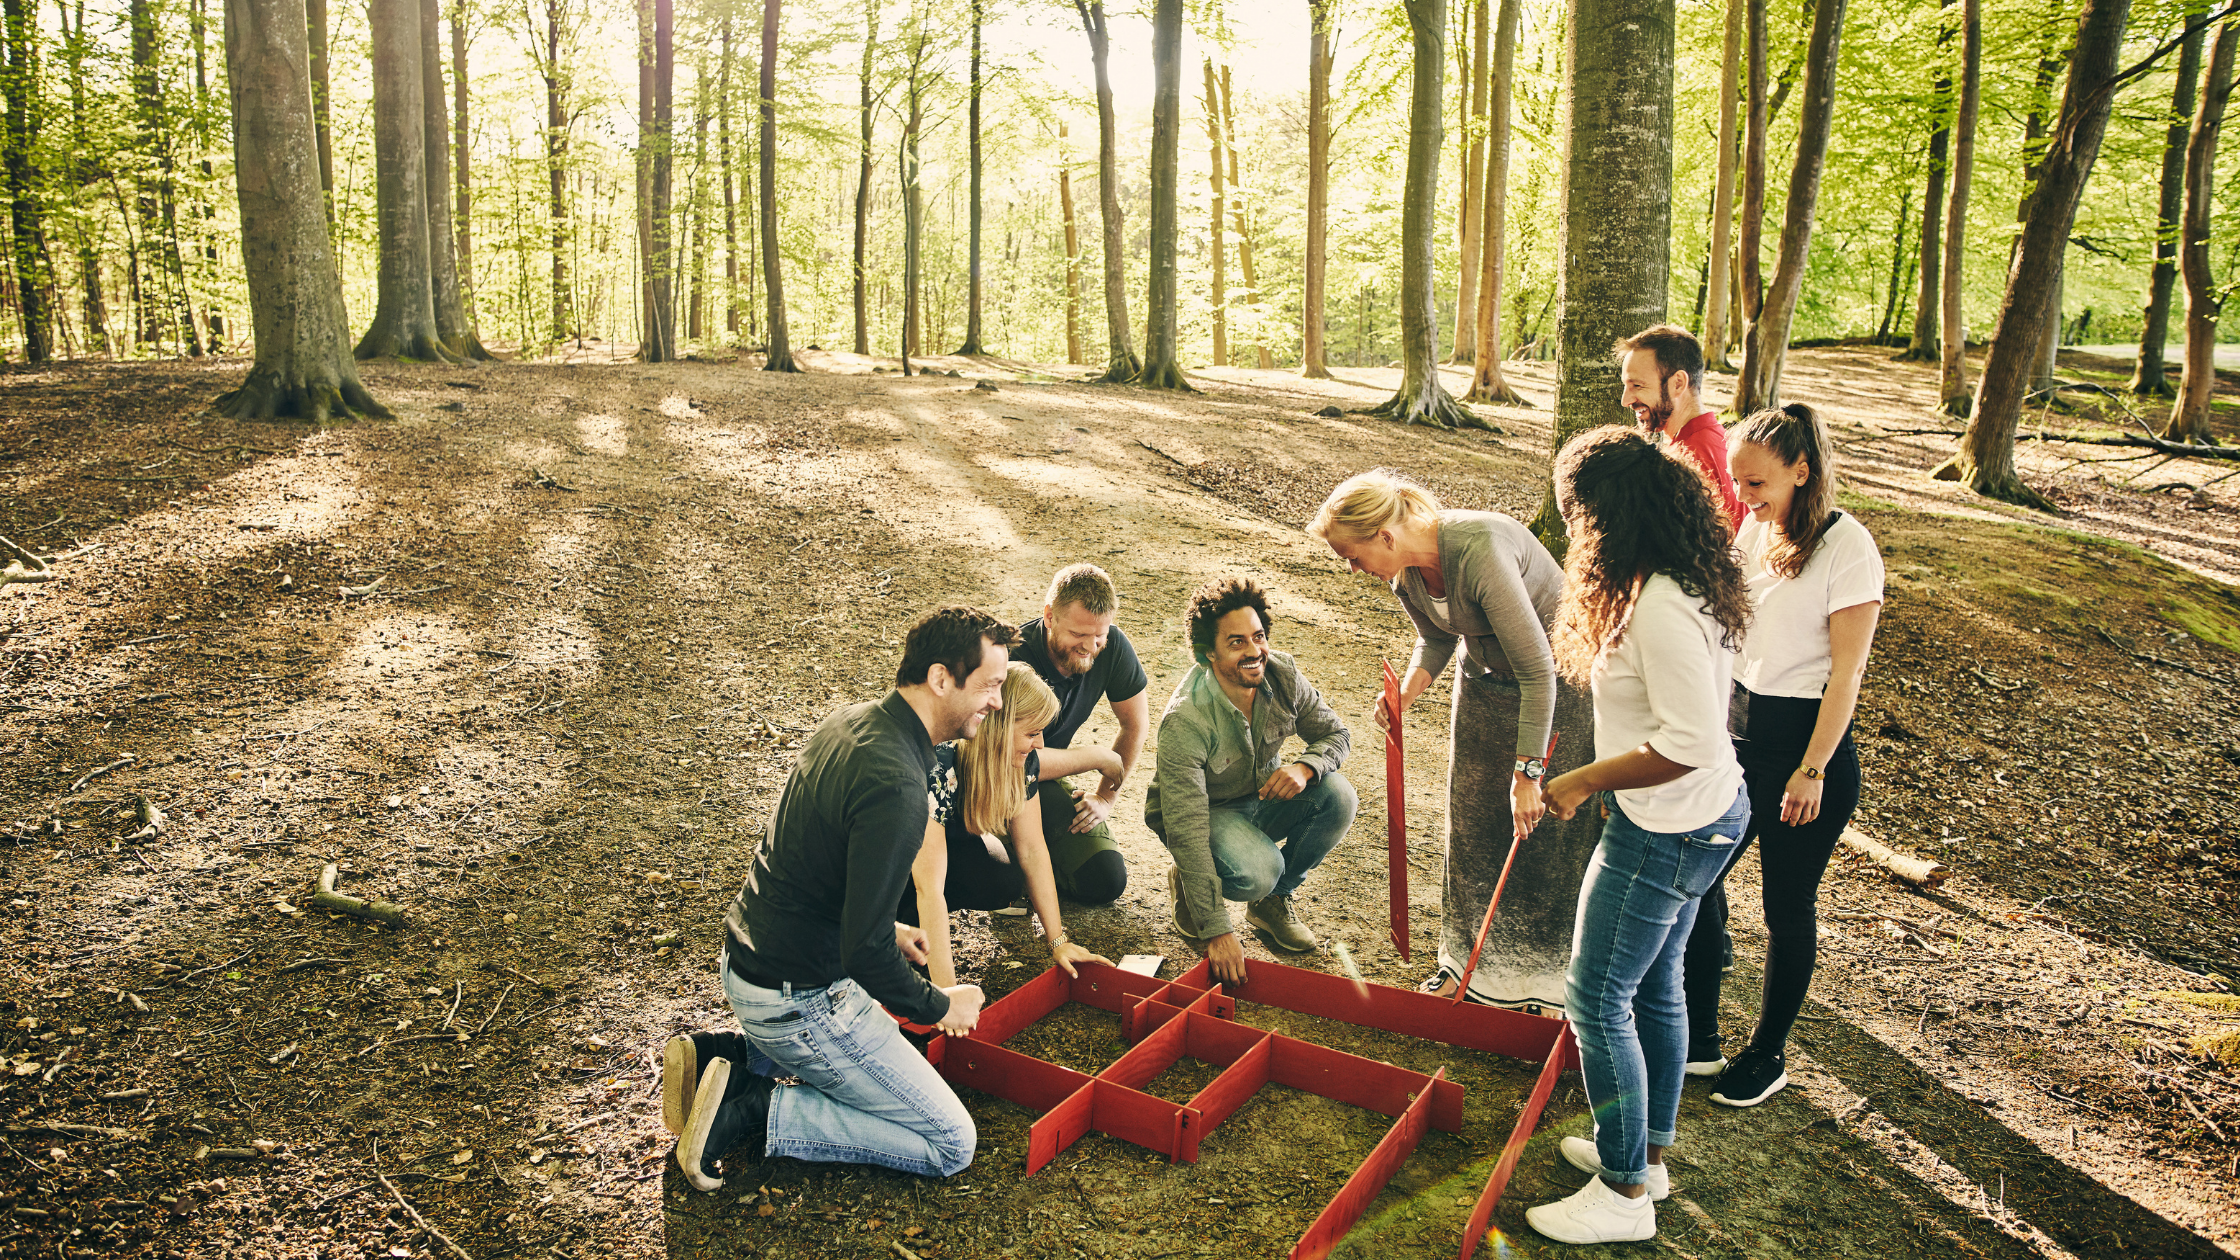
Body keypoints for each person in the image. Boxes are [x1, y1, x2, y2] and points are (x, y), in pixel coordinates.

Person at [659, 607, 1015, 1192]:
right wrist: (937, 1005)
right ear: (941, 678)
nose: (997, 702)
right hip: (798, 1001)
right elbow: (864, 959)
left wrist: (888, 928)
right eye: (990, 685)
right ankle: (751, 1106)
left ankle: (726, 1057)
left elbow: (813, 860)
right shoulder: (898, 785)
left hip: (750, 963)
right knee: (951, 1142)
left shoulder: (852, 722)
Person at [1524, 427, 1752, 1245]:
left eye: (1574, 514)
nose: (1571, 531)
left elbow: (1692, 740)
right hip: (1695, 819)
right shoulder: (1673, 580)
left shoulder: (1659, 603)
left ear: (1605, 515)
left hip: (1672, 829)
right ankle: (1646, 1154)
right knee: (1656, 987)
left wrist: (1584, 781)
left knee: (1595, 997)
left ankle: (1622, 1194)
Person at [1308, 470, 1598, 1009]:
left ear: (1384, 537)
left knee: (1542, 834)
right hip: (1485, 687)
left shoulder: (1481, 549)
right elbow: (1436, 638)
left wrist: (1527, 773)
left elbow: (1540, 672)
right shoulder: (1406, 574)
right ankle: (1466, 965)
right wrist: (1407, 694)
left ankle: (1547, 983)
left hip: (1557, 693)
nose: (1352, 570)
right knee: (1470, 824)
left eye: (1353, 556)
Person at [1681, 403, 1885, 1108]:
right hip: (1738, 735)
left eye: (1758, 482)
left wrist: (1813, 768)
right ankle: (1699, 1038)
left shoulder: (1847, 546)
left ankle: (1767, 1054)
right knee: (1698, 878)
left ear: (1803, 470)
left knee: (1785, 907)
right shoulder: (1753, 526)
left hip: (1805, 750)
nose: (1744, 496)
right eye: (1738, 481)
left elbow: (1847, 673)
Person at [1147, 576, 1355, 985]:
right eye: (1237, 642)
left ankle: (1273, 902)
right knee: (1259, 869)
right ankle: (1192, 885)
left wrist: (1306, 767)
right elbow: (1186, 827)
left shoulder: (1284, 674)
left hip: (1258, 798)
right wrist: (1218, 929)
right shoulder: (1185, 720)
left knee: (1337, 797)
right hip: (1205, 813)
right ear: (1208, 654)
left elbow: (1336, 734)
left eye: (1258, 637)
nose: (1255, 651)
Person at [907, 663, 1119, 986]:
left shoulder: (1022, 762)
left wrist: (1058, 942)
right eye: (1032, 733)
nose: (1041, 745)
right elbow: (928, 885)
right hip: (894, 857)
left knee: (1001, 878)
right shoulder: (939, 761)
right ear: (999, 727)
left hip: (950, 844)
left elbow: (1032, 849)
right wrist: (945, 996)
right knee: (913, 886)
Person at [1008, 564, 1149, 904]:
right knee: (997, 884)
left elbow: (1135, 724)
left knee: (1105, 880)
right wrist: (1097, 757)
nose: (1090, 646)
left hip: (1042, 780)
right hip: (996, 782)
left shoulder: (1112, 645)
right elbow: (1009, 759)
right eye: (1079, 635)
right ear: (1049, 617)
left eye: (1099, 635)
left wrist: (1104, 798)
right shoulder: (1013, 657)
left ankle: (1035, 869)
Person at [1615, 323, 1744, 531]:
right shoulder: (1718, 440)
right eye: (1625, 386)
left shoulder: (1690, 460)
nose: (1625, 400)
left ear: (1678, 383)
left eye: (1637, 385)